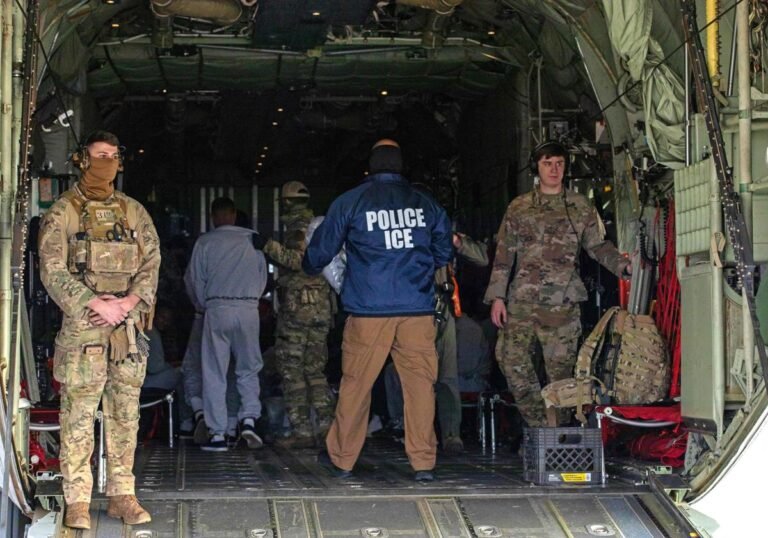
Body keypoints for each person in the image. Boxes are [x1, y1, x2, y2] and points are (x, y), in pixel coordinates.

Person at [303, 139, 452, 481]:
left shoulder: (351, 201)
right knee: (419, 387)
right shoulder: (425, 204)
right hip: (416, 310)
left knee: (357, 385)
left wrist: (308, 265)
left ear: (369, 168)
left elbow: (321, 250)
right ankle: (423, 463)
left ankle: (342, 459)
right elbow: (444, 251)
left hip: (368, 311)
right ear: (401, 167)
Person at [38, 130, 160, 529]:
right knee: (78, 417)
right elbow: (51, 270)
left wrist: (126, 303)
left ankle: (122, 495)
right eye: (99, 155)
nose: (106, 162)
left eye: (112, 155)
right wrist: (94, 302)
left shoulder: (133, 212)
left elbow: (151, 263)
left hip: (126, 331)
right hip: (84, 330)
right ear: (82, 160)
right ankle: (77, 500)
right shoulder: (63, 212)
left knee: (125, 415)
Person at [484, 140, 631, 428]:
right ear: (536, 167)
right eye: (547, 163)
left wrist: (623, 266)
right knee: (510, 360)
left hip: (562, 303)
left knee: (561, 375)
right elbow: (504, 255)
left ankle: (559, 433)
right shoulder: (519, 207)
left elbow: (597, 246)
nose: (554, 169)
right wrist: (497, 297)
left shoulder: (580, 206)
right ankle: (540, 425)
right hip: (522, 301)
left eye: (559, 164)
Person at [252, 181, 335, 449]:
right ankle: (327, 427)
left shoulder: (298, 227)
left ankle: (302, 430)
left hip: (299, 310)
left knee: (291, 369)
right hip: (321, 307)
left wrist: (267, 246)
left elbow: (299, 260)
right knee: (315, 369)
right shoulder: (318, 228)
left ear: (287, 203)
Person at [185, 197, 268, 451]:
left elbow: (194, 280)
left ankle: (218, 433)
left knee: (214, 372)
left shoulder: (205, 242)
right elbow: (262, 277)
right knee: (248, 368)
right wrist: (251, 299)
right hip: (248, 308)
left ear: (213, 217)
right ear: (233, 215)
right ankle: (249, 419)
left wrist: (204, 306)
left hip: (217, 308)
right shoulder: (252, 240)